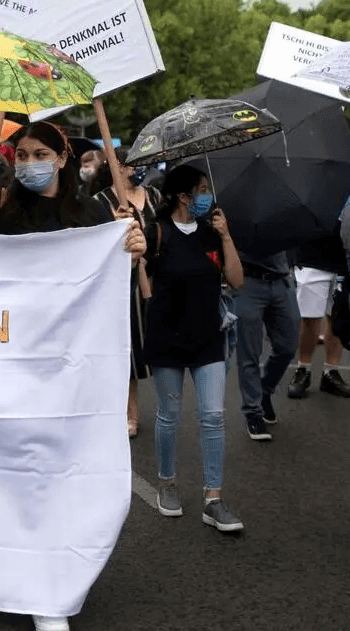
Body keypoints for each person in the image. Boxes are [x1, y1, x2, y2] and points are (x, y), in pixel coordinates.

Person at [0, 122, 145, 631]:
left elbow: (115, 284)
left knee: (61, 476)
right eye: (21, 154)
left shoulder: (92, 214)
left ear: (63, 158)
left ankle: (50, 589)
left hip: (71, 369)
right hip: (8, 364)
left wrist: (132, 246)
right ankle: (12, 574)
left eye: (40, 154)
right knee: (14, 474)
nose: (27, 163)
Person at [141, 164, 244, 535]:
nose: (207, 196)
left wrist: (227, 236)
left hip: (208, 340)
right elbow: (139, 276)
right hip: (167, 339)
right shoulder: (156, 232)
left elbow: (235, 280)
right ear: (183, 197)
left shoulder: (212, 233)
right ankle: (167, 484)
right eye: (201, 190)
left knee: (213, 416)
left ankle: (213, 498)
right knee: (169, 415)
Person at [95, 147, 164, 438]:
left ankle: (168, 410)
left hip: (158, 278)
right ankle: (129, 411)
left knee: (160, 347)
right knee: (130, 349)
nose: (137, 169)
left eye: (141, 164)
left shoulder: (155, 197)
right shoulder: (101, 201)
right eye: (131, 164)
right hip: (125, 283)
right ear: (117, 166)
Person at [232, 244, 301, 440]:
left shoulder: (284, 214)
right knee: (249, 352)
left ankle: (264, 391)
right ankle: (253, 412)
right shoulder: (239, 215)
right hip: (248, 281)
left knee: (288, 345)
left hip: (281, 280)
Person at [286, 235, 349, 398]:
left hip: (344, 258)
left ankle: (331, 371)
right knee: (309, 318)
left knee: (338, 316)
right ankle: (303, 369)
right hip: (312, 257)